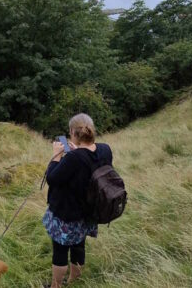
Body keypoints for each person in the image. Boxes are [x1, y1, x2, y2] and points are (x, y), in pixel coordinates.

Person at [43, 113, 113, 288]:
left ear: (72, 133)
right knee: (79, 247)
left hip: (67, 213)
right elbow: (90, 163)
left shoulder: (74, 158)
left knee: (60, 251)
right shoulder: (105, 149)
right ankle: (74, 281)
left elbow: (52, 178)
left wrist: (56, 156)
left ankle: (55, 286)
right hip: (88, 212)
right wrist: (77, 150)